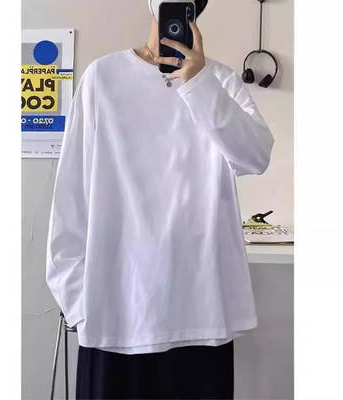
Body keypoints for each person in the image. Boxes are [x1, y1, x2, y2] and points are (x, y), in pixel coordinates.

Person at [46, 0, 275, 398]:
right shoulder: (102, 78)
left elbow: (255, 157)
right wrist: (80, 303)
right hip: (115, 319)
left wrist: (198, 83)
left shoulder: (219, 81)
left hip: (201, 318)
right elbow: (71, 196)